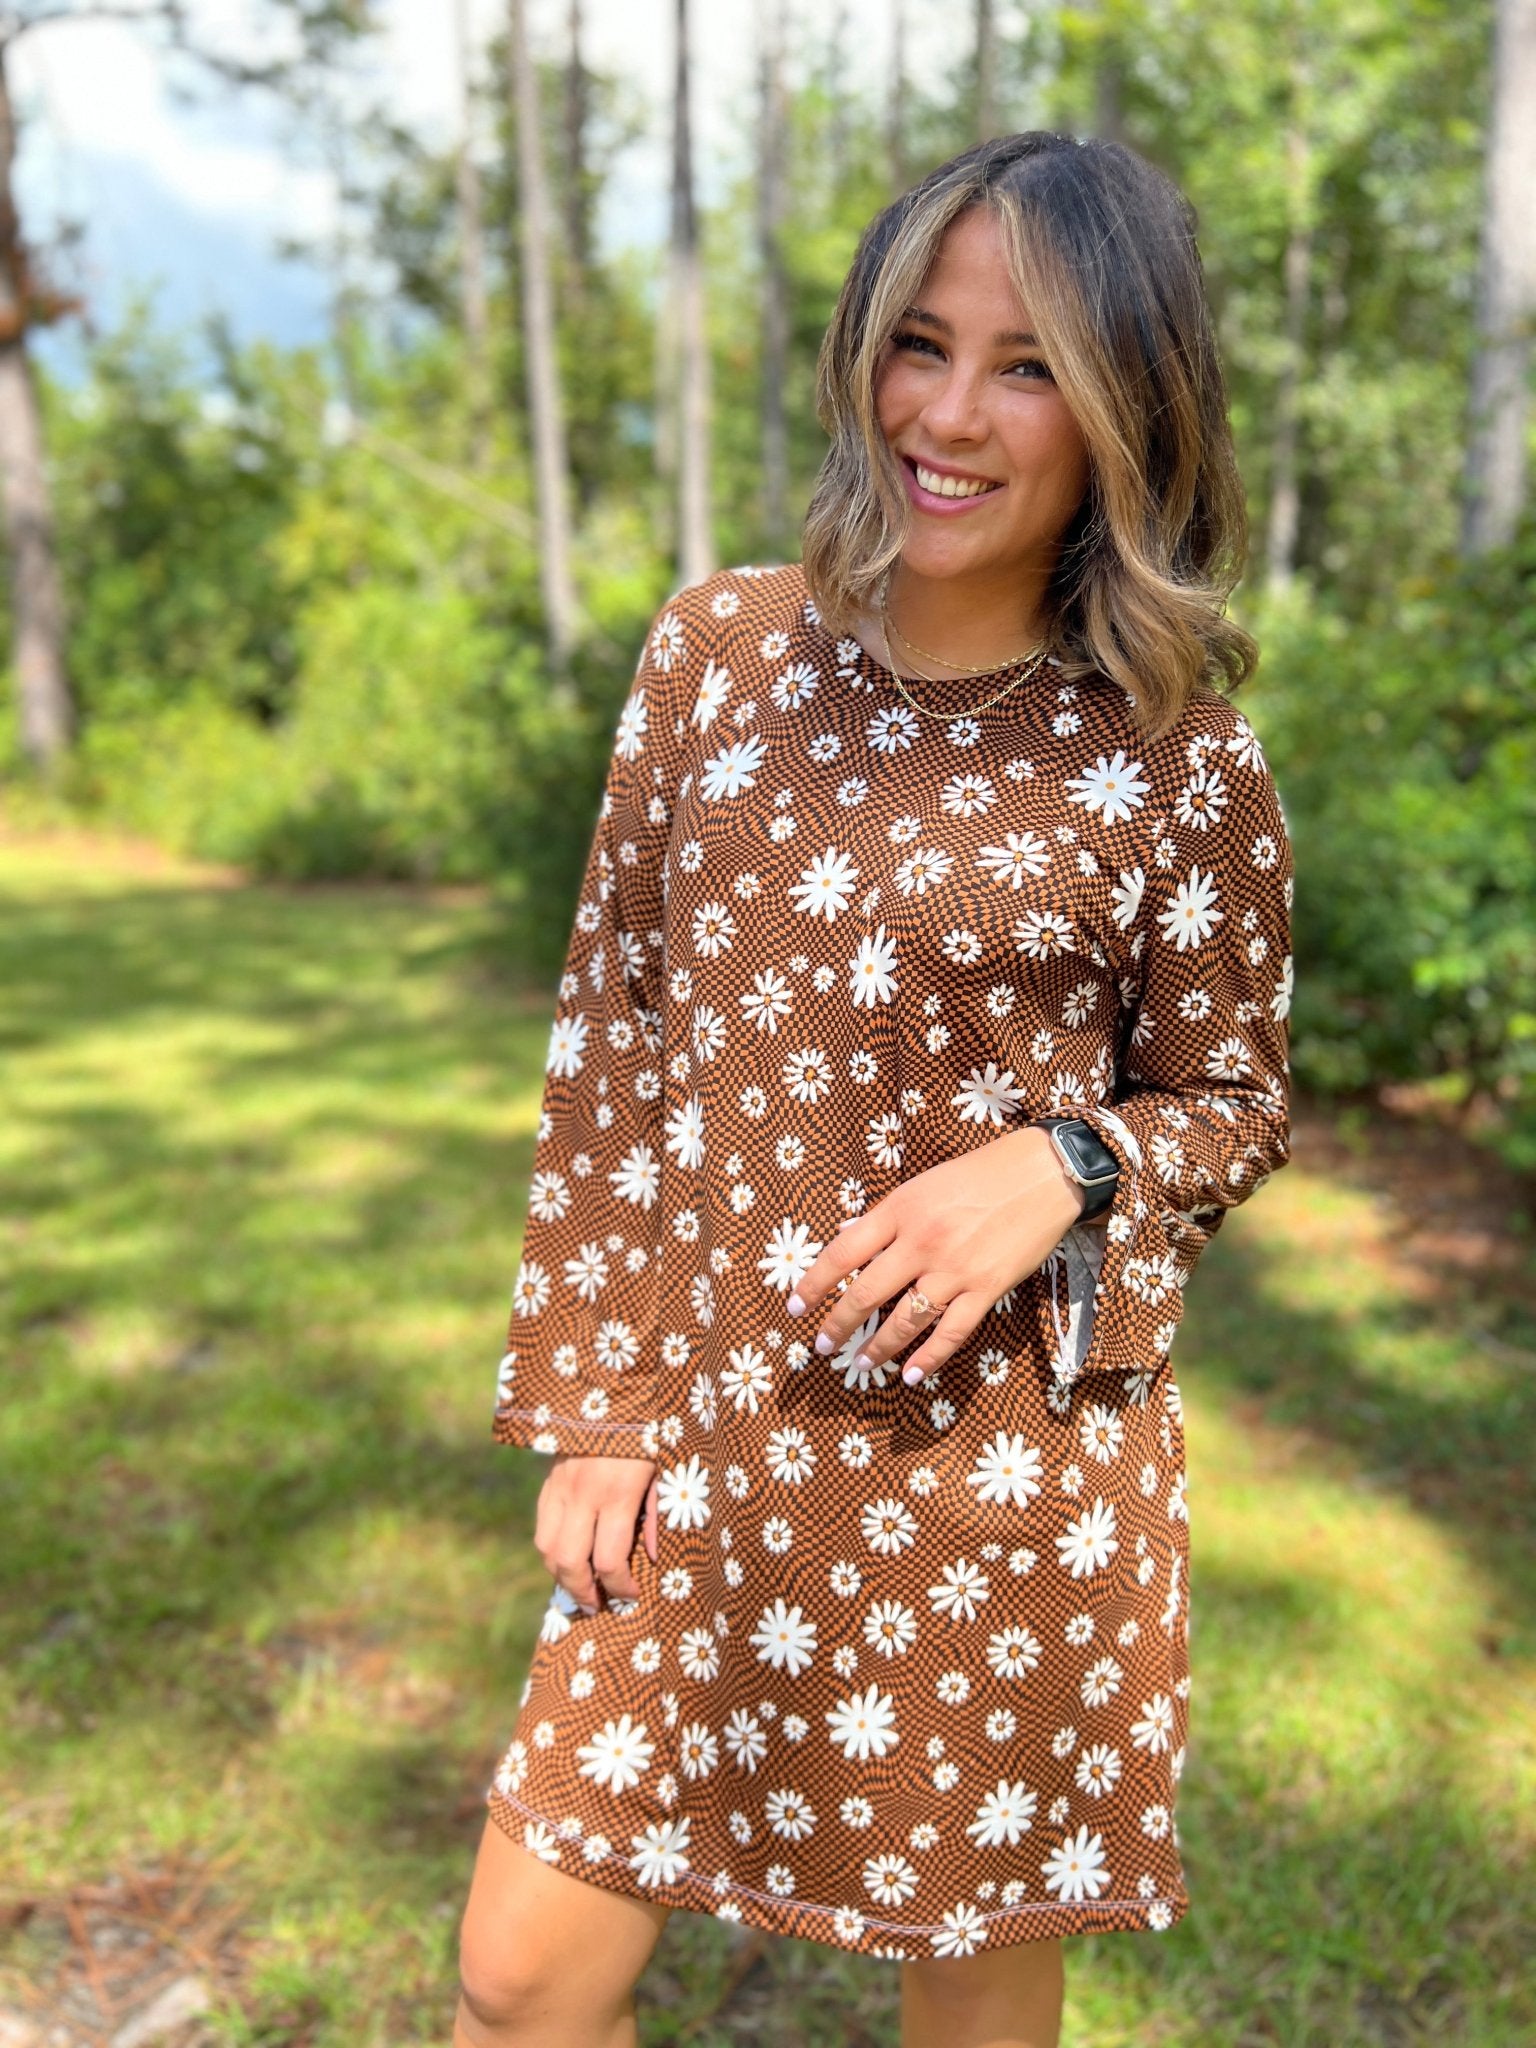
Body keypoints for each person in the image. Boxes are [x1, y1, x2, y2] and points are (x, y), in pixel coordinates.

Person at [454, 130, 1294, 2048]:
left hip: (996, 1476)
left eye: (1029, 367)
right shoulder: (717, 660)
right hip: (708, 1430)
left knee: (970, 1992)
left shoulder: (1177, 759)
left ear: (1129, 410)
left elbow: (1232, 1098)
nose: (951, 414)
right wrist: (600, 1402)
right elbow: (617, 1042)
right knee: (516, 1979)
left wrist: (1069, 1162)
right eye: (921, 343)